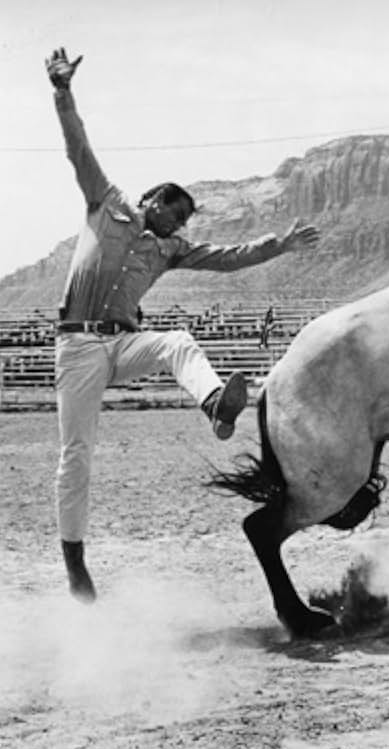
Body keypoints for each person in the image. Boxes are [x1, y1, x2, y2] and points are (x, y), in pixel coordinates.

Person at [45, 47, 321, 603]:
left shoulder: (171, 250)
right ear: (153, 199)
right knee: (77, 454)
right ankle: (75, 561)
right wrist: (62, 92)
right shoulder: (105, 202)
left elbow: (229, 257)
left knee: (178, 341)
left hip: (123, 342)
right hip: (78, 346)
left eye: (185, 222)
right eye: (176, 214)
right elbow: (79, 148)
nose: (180, 226)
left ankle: (216, 403)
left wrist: (281, 245)